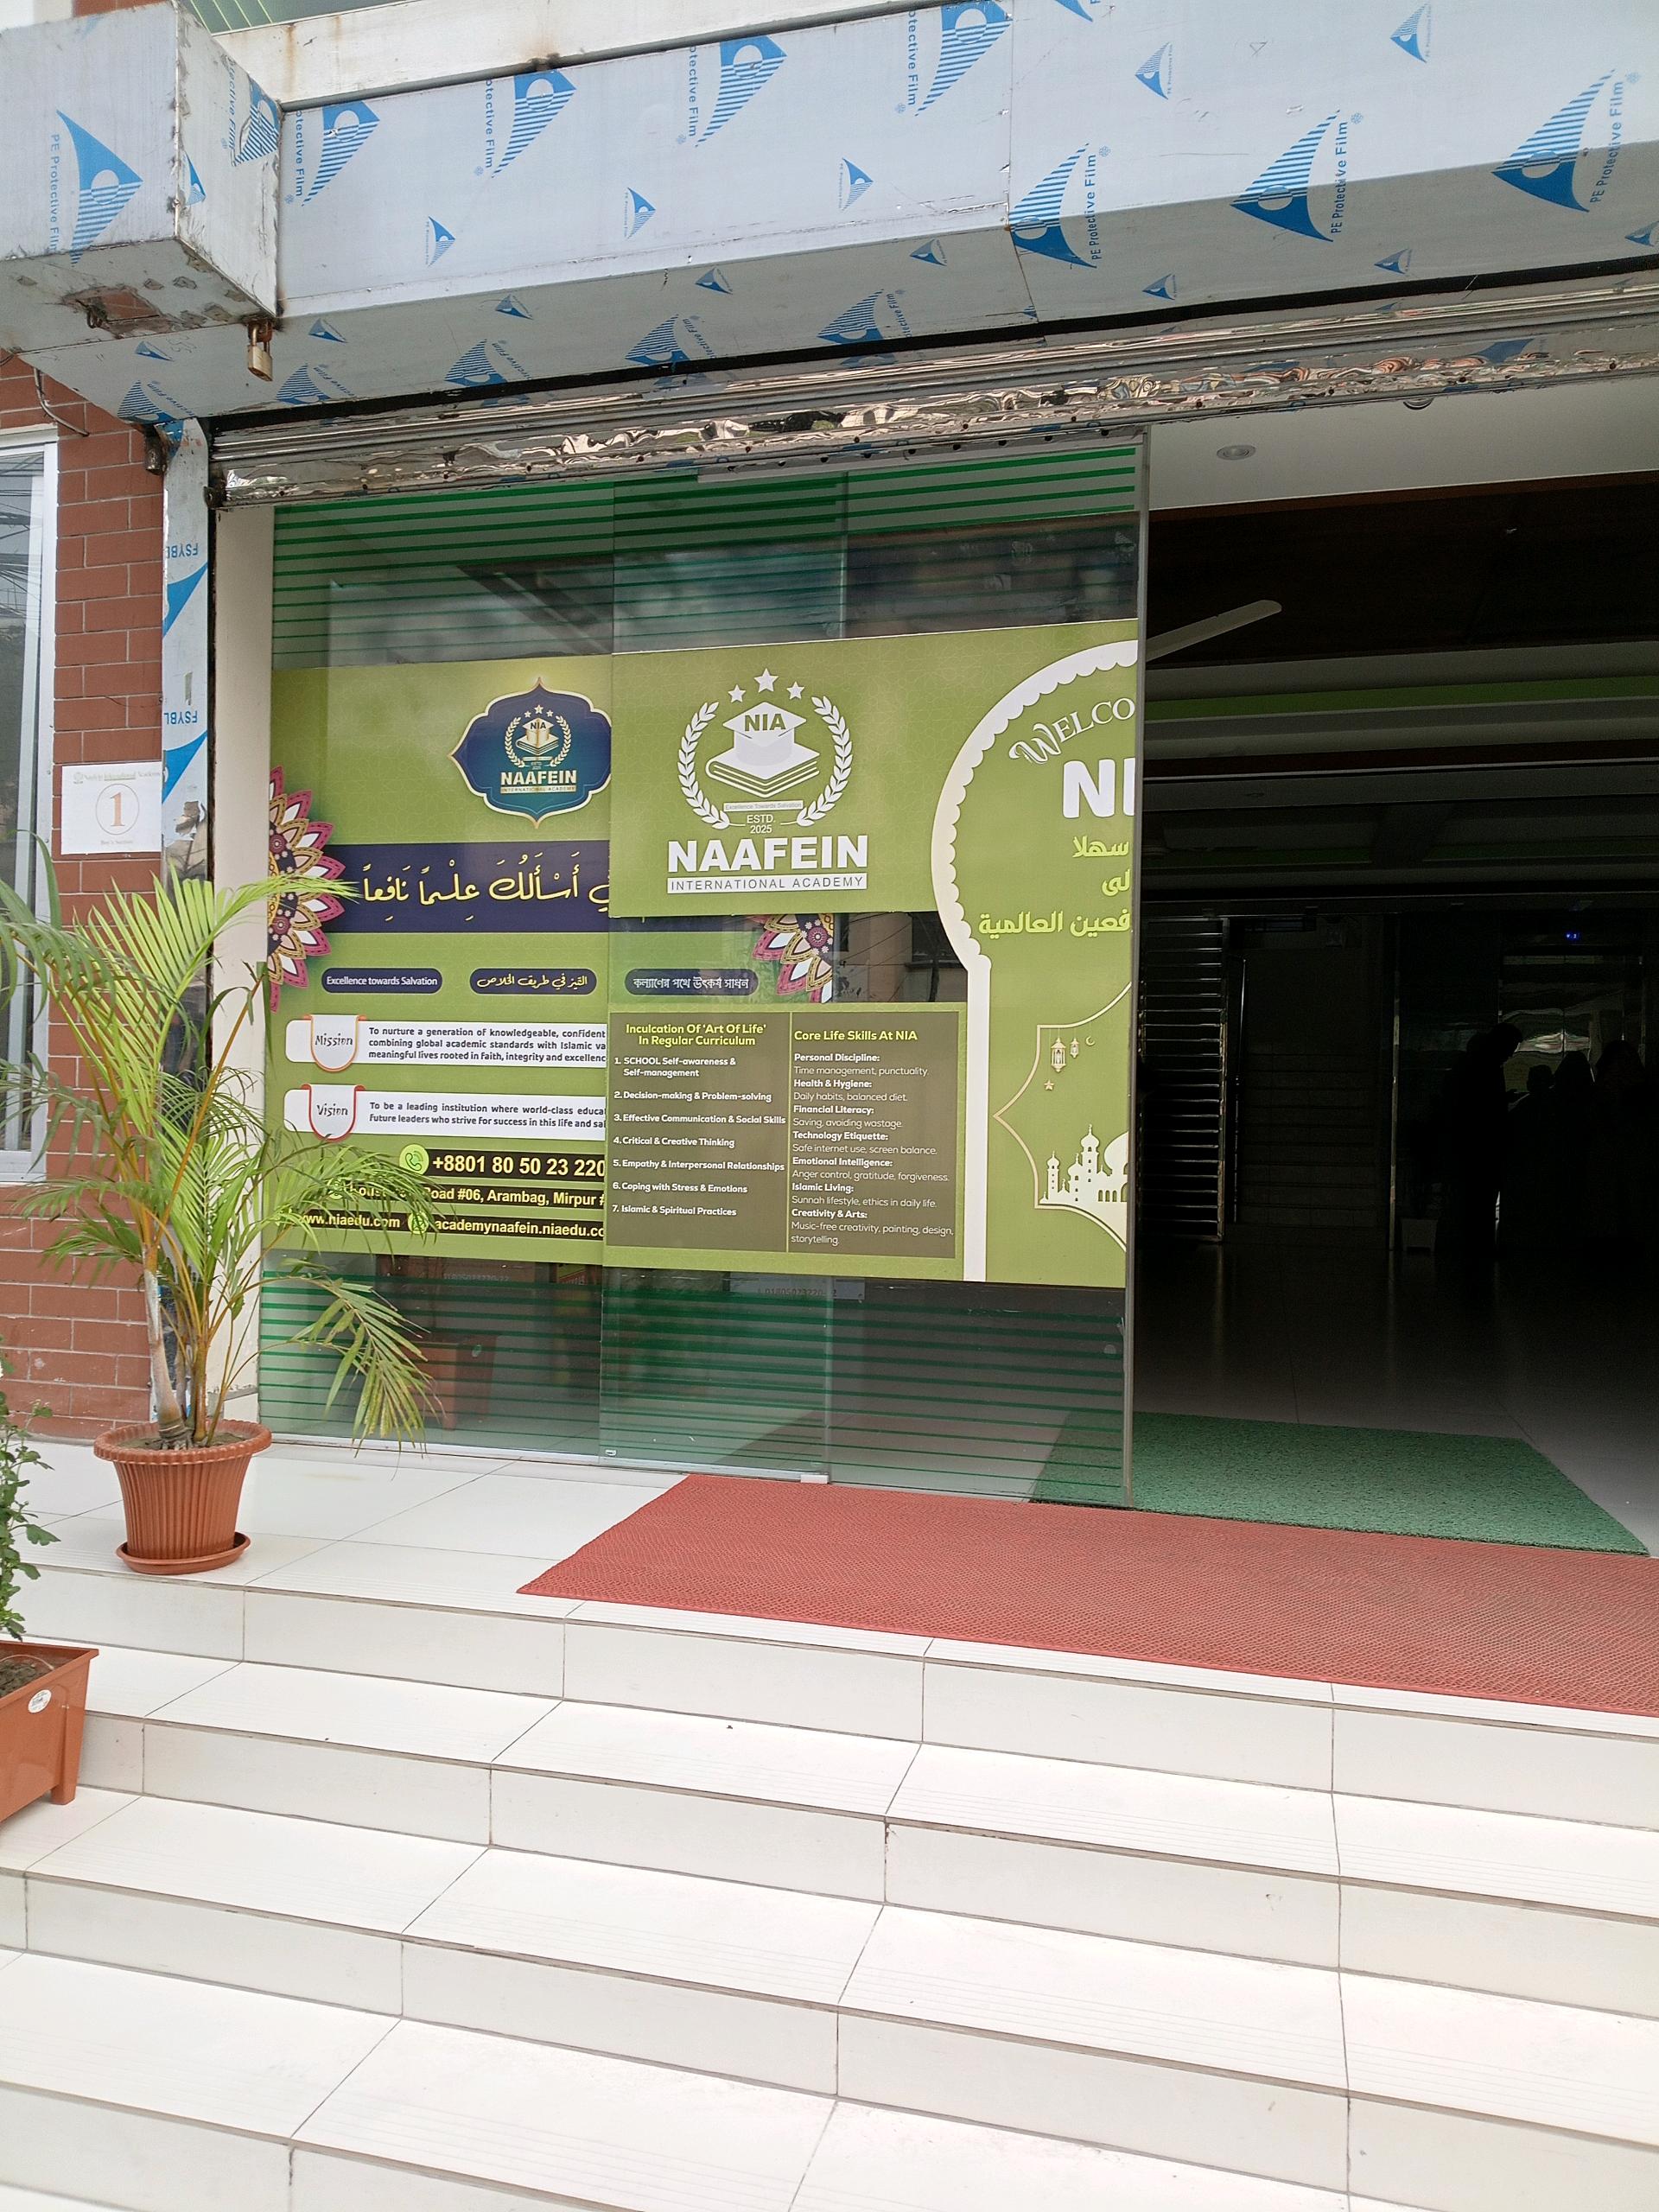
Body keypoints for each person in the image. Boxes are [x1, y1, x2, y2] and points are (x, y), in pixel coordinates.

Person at [1437, 1021, 1520, 1269]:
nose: (1510, 1054)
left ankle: (1470, 1250)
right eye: (1510, 1048)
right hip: (1479, 1150)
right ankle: (1478, 1248)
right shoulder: (1486, 1069)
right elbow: (1481, 1110)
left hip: (1468, 1148)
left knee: (1471, 1201)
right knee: (1480, 1202)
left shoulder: (1469, 1066)